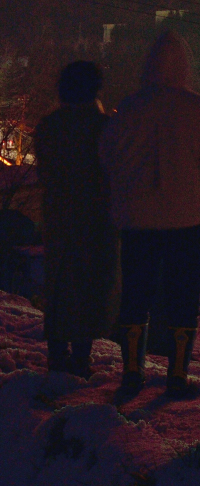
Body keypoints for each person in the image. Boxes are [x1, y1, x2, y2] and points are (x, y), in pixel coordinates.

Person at [100, 31, 200, 398]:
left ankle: (133, 370)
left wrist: (122, 196)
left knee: (136, 293)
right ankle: (177, 373)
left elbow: (108, 158)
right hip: (186, 219)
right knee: (183, 295)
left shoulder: (130, 107)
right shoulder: (198, 109)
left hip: (137, 218)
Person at [33, 61, 119, 378]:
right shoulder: (105, 127)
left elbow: (44, 172)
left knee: (59, 283)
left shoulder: (49, 126)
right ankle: (82, 357)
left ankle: (57, 353)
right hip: (98, 219)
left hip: (58, 217)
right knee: (90, 285)